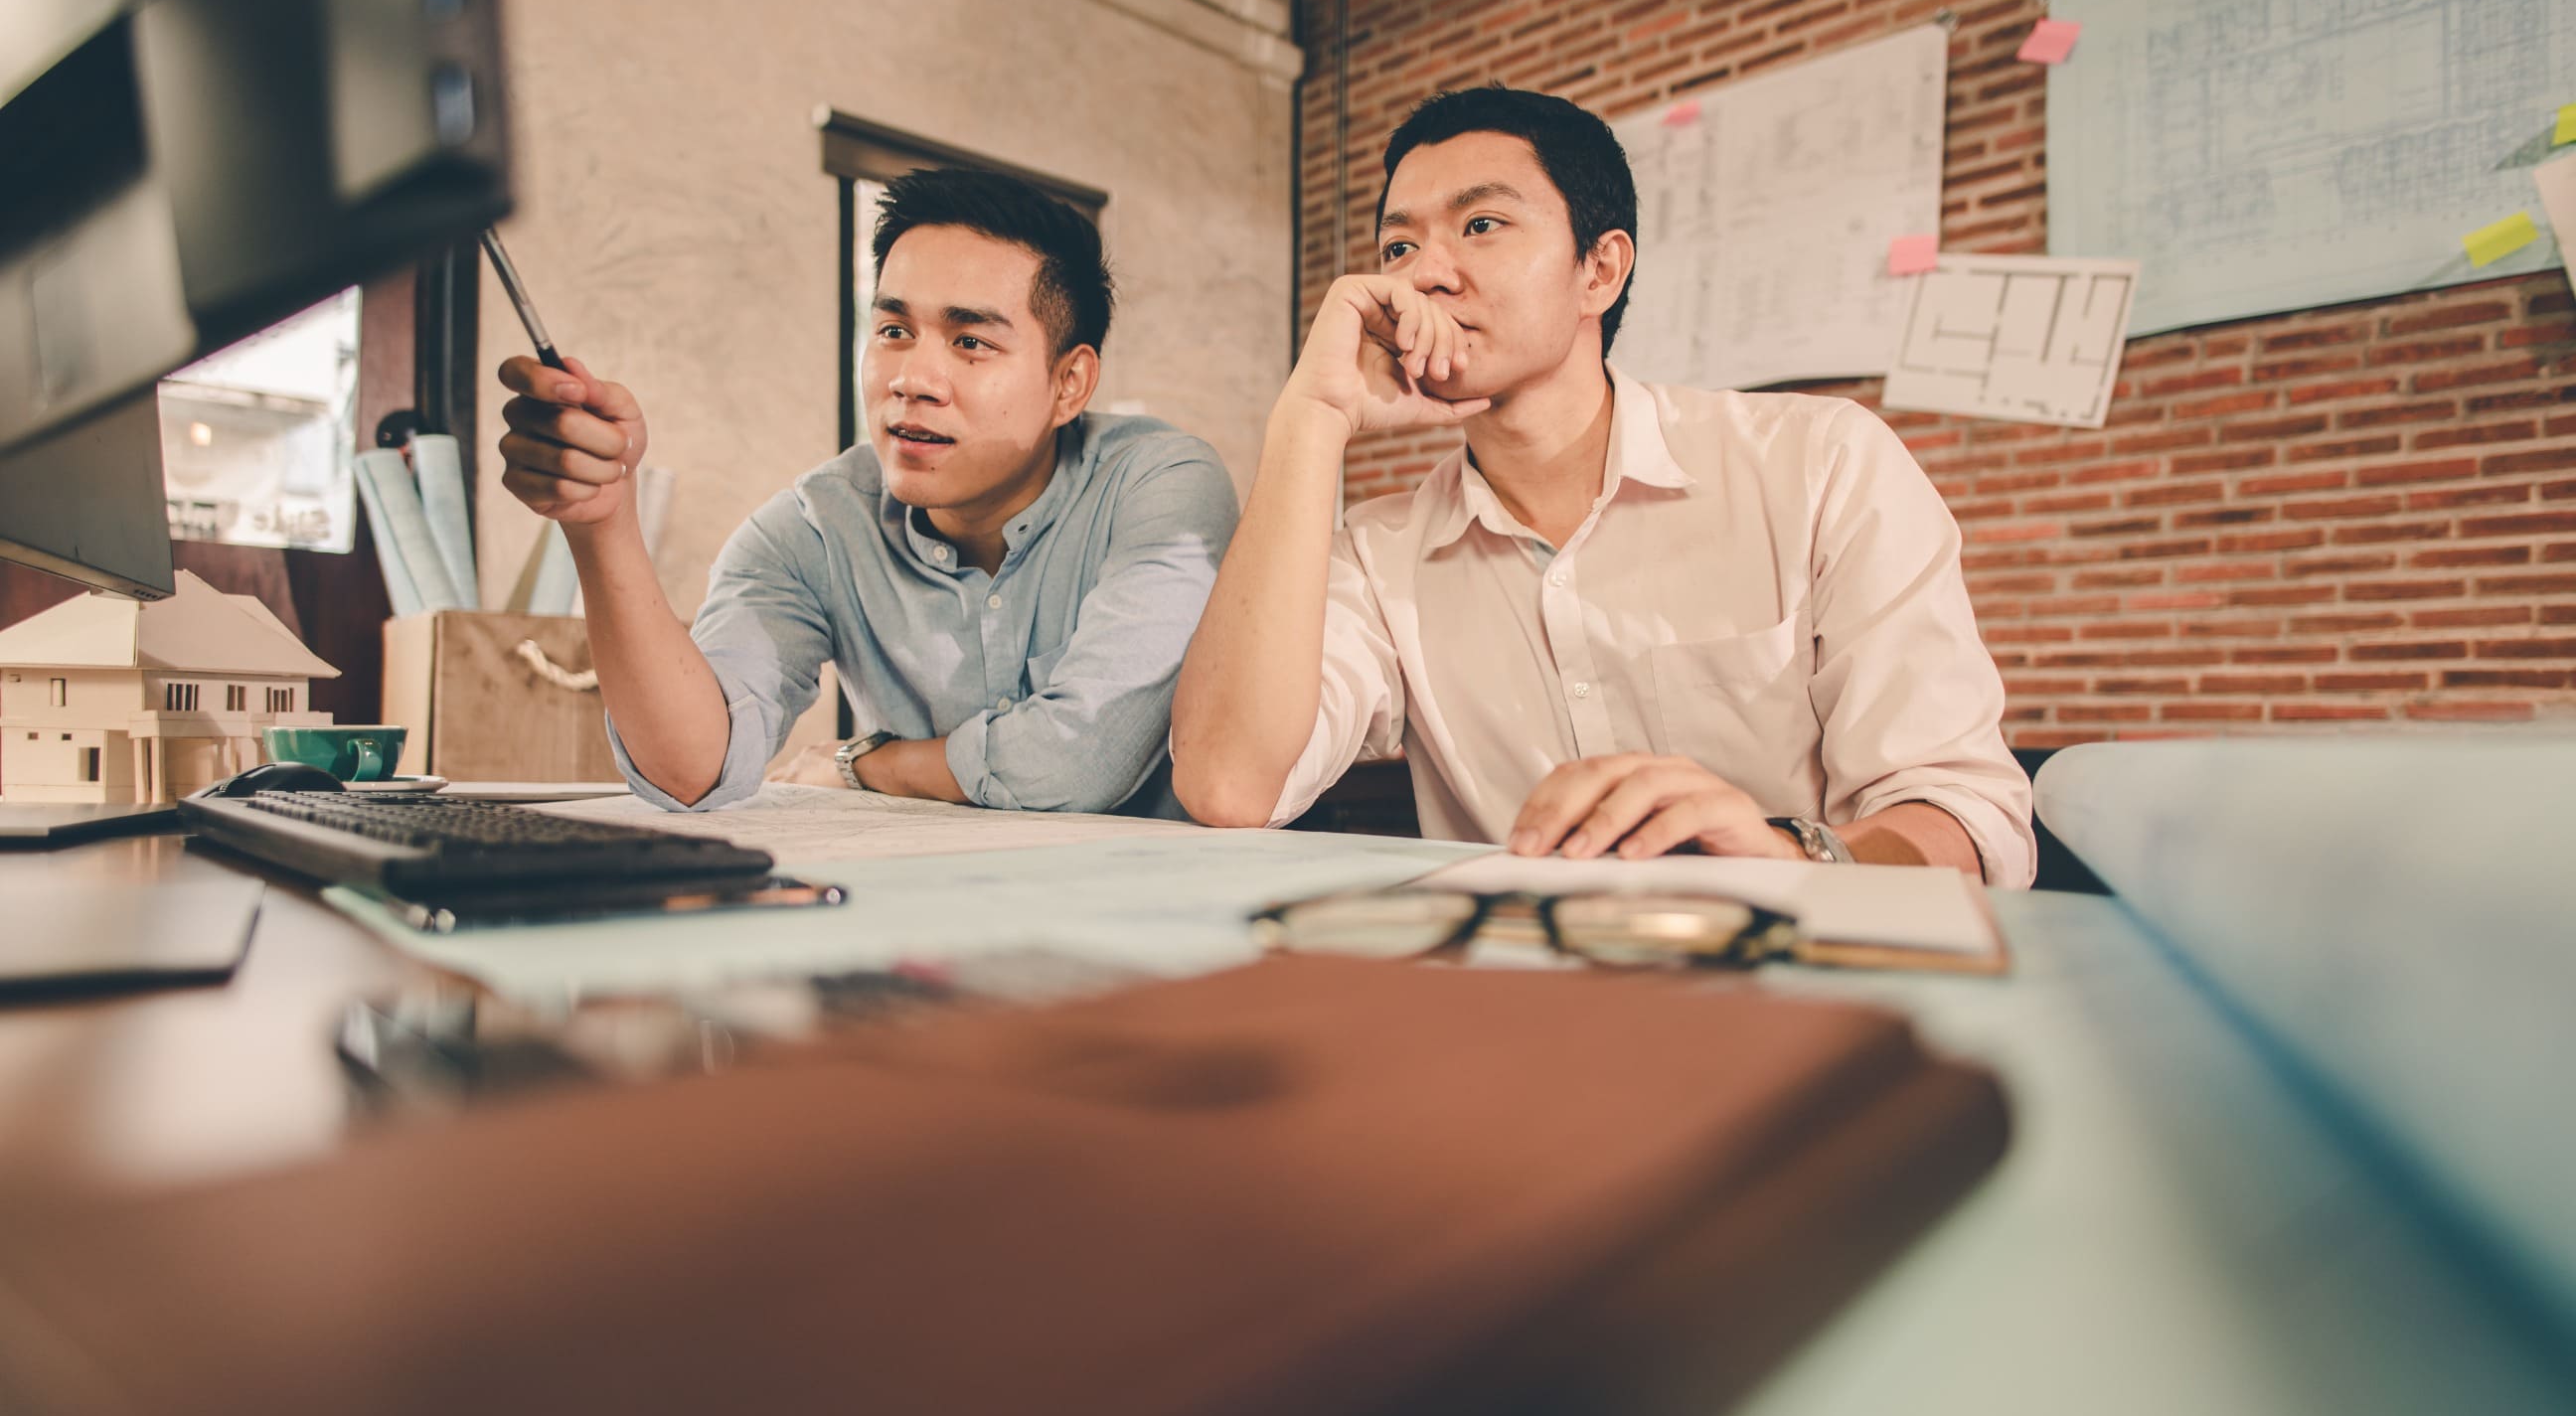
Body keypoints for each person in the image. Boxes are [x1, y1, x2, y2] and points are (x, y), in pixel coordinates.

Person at [1170, 86, 2033, 884]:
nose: (1424, 271)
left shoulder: (1820, 463)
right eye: (1400, 245)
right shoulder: (1382, 551)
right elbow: (1231, 787)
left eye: (1481, 226)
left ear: (1600, 270)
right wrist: (1310, 417)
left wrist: (1783, 857)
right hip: (1532, 1001)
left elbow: (1968, 819)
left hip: (1805, 985)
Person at [496, 167, 1238, 817]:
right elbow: (692, 769)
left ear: (1069, 383)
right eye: (892, 330)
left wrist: (863, 764)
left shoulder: (1161, 489)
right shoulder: (814, 528)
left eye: (970, 341)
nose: (912, 379)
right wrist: (601, 525)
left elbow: (1079, 760)